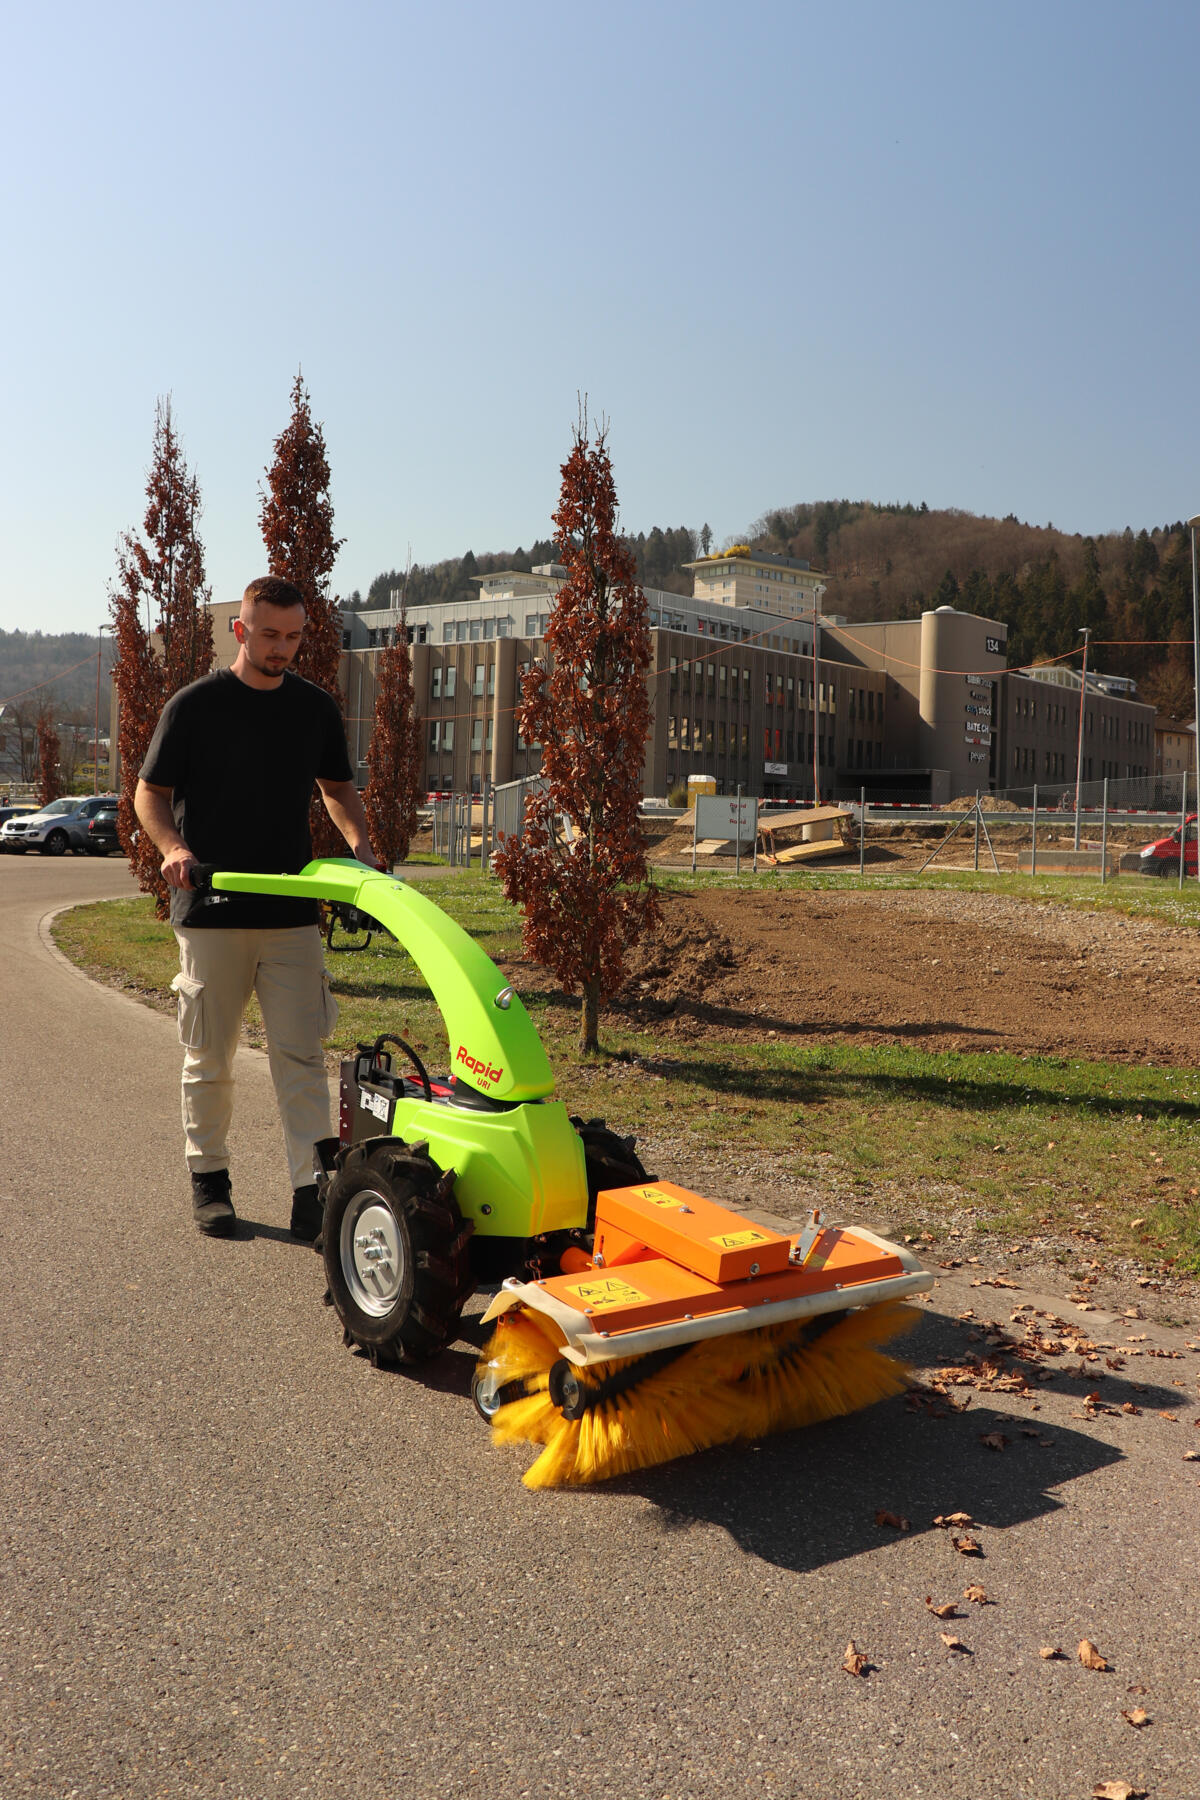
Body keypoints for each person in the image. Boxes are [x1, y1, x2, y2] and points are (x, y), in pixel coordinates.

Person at [135, 576, 378, 1241]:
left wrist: (360, 847)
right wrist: (173, 848)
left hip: (291, 913)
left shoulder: (314, 708)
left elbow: (337, 788)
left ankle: (311, 1191)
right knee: (209, 1059)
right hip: (211, 909)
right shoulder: (195, 706)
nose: (282, 648)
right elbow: (149, 793)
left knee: (301, 1060)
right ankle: (209, 1178)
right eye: (269, 634)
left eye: (293, 636)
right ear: (241, 631)